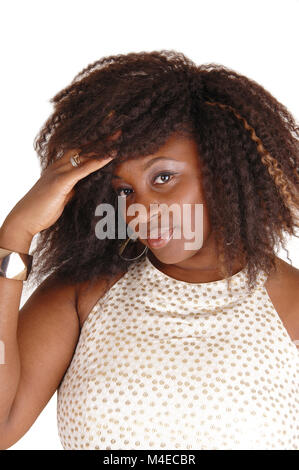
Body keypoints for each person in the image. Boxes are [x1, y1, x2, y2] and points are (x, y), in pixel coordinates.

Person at [0, 50, 298, 450]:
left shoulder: (292, 303)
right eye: (124, 191)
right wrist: (15, 234)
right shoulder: (84, 293)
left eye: (163, 177)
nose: (138, 210)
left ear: (225, 168)